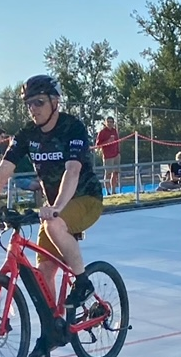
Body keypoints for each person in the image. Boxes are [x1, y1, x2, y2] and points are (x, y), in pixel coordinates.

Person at [0, 75, 103, 357]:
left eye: (39, 102)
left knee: (54, 223)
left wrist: (56, 207)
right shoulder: (26, 135)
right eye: (29, 103)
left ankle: (82, 283)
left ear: (55, 102)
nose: (33, 108)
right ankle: (53, 333)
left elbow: (72, 171)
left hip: (85, 198)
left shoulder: (73, 128)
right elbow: (5, 169)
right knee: (43, 273)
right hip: (54, 206)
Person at [95, 116, 120, 195]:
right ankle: (107, 191)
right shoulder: (102, 132)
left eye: (111, 122)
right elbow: (98, 145)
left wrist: (119, 152)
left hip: (116, 154)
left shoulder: (115, 131)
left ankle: (113, 191)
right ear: (105, 123)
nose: (110, 123)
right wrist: (108, 141)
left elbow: (117, 141)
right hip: (108, 156)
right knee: (108, 173)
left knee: (115, 173)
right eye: (108, 122)